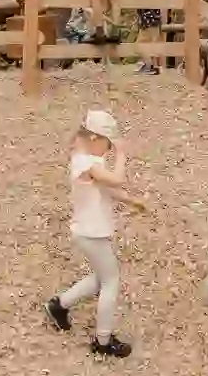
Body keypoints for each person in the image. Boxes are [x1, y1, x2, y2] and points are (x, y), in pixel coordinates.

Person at [44, 110, 147, 358]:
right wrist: (122, 154)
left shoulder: (88, 161)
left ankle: (59, 305)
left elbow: (107, 189)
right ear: (94, 138)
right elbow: (116, 180)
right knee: (111, 281)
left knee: (102, 278)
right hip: (91, 233)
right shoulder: (86, 163)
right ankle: (103, 340)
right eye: (108, 144)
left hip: (91, 232)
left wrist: (132, 202)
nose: (110, 150)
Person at [130, 0, 162, 75]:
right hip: (152, 23)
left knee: (140, 46)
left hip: (149, 23)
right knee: (149, 46)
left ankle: (150, 66)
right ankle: (151, 66)